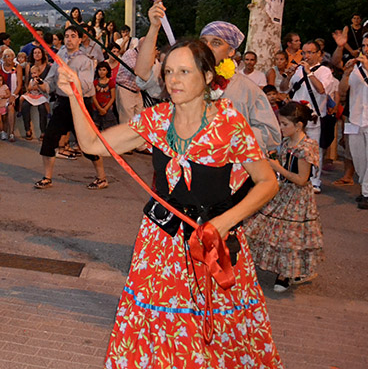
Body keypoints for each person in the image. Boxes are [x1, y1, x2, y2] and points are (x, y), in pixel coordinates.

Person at [58, 39, 282, 368]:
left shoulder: (229, 123)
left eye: (184, 71)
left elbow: (268, 182)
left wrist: (224, 223)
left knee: (214, 334)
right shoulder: (157, 120)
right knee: (161, 332)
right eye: (168, 72)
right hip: (160, 247)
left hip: (211, 248)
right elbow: (93, 144)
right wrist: (76, 95)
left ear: (207, 76)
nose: (173, 80)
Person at [136, 2, 281, 157]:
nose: (208, 47)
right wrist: (154, 28)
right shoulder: (185, 77)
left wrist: (225, 136)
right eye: (204, 42)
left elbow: (272, 135)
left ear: (231, 51)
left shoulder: (247, 89)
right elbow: (143, 73)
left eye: (216, 43)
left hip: (227, 172)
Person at [243, 101, 323, 291]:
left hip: (297, 197)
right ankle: (274, 268)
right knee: (266, 227)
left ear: (299, 126)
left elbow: (302, 179)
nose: (281, 127)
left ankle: (286, 274)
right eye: (281, 123)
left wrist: (278, 168)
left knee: (290, 237)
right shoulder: (287, 142)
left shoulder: (306, 146)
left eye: (285, 124)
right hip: (283, 191)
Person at [36, 25, 105, 190]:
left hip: (80, 105)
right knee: (49, 139)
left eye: (73, 36)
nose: (69, 39)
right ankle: (47, 177)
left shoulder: (85, 60)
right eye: (67, 36)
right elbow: (51, 82)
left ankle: (102, 178)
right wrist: (41, 84)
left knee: (87, 144)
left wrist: (71, 80)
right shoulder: (60, 56)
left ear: (80, 40)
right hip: (62, 104)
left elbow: (87, 85)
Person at [286, 40, 337, 193]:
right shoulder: (298, 70)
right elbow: (284, 88)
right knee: (293, 146)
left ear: (319, 54)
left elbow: (321, 90)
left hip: (313, 116)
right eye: (304, 52)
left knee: (314, 149)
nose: (306, 55)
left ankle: (315, 180)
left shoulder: (325, 72)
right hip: (295, 116)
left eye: (310, 52)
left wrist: (310, 73)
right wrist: (288, 76)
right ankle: (293, 176)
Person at [335, 33, 368, 209]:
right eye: (364, 45)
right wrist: (347, 73)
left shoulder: (365, 66)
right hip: (356, 118)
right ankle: (366, 188)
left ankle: (367, 194)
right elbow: (342, 91)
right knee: (359, 158)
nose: (366, 49)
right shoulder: (357, 68)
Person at [20, 45, 49, 141]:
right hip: (31, 91)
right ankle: (27, 129)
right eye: (35, 53)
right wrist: (29, 90)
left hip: (43, 92)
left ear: (42, 54)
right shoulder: (29, 66)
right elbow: (27, 81)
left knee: (42, 107)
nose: (37, 55)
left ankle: (43, 131)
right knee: (25, 105)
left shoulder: (47, 66)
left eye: (39, 52)